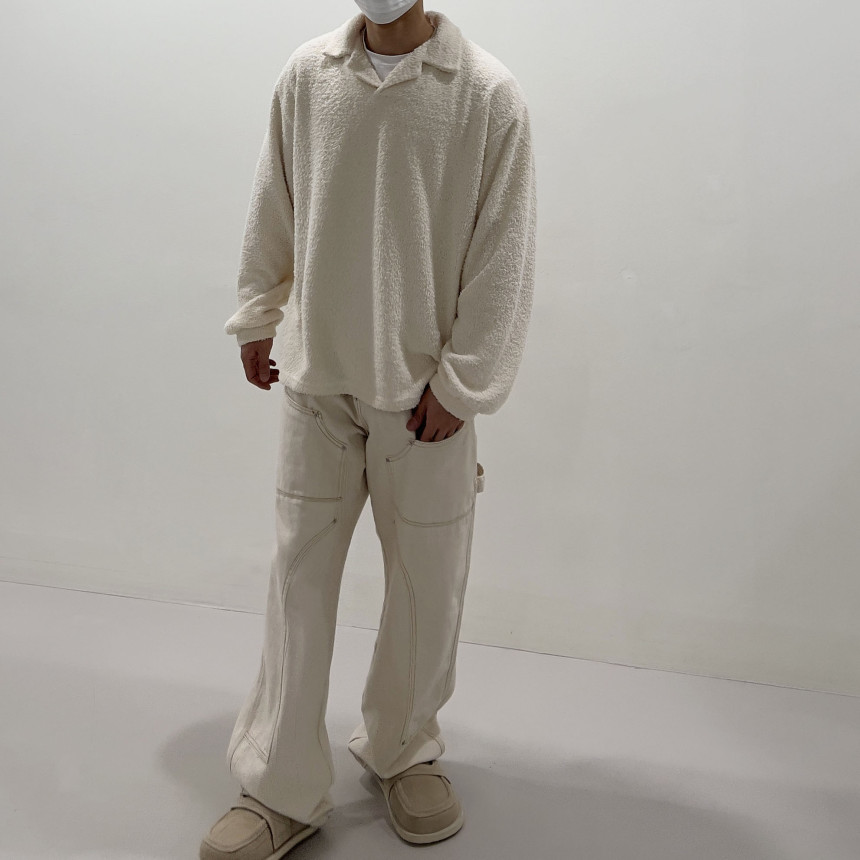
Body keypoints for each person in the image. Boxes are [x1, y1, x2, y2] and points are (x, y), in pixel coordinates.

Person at [200, 1, 537, 857]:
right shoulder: (308, 75)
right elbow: (274, 198)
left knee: (427, 585)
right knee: (297, 584)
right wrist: (257, 313)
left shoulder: (486, 94)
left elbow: (504, 251)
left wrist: (464, 384)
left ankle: (404, 748)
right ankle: (280, 783)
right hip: (318, 382)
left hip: (425, 399)